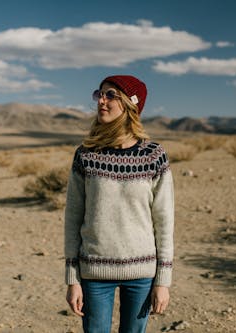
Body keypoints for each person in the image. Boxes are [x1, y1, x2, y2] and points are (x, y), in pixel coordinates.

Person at [64, 75, 174, 333]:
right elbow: (73, 218)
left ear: (130, 103)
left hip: (142, 273)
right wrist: (72, 279)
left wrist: (163, 281)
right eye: (100, 94)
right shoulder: (86, 155)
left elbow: (164, 221)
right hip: (94, 272)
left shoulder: (153, 156)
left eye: (110, 95)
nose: (101, 101)